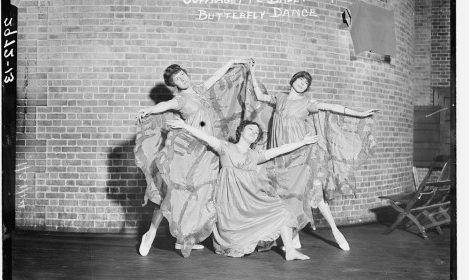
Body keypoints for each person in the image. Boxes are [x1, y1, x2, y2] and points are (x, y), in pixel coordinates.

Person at [249, 65, 379, 251]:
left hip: (300, 154)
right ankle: (293, 237)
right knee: (284, 194)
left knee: (312, 192)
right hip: (279, 154)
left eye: (306, 82)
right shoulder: (280, 97)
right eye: (300, 80)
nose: (302, 83)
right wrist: (252, 73)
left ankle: (335, 231)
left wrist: (359, 113)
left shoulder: (308, 103)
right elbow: (260, 96)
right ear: (292, 81)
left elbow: (331, 107)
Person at [135, 58, 252, 257]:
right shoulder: (180, 99)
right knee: (174, 194)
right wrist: (149, 110)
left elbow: (215, 77)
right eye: (177, 79)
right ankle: (150, 233)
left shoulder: (198, 89)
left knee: (203, 194)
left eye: (183, 75)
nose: (182, 79)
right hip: (189, 152)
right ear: (174, 85)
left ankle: (184, 239)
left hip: (208, 150)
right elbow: (164, 105)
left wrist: (231, 62)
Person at [167, 118, 320, 260]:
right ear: (241, 131)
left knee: (283, 210)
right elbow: (206, 137)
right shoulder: (226, 148)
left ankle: (290, 251)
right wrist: (185, 126)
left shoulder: (255, 155)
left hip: (252, 198)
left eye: (257, 132)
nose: (254, 133)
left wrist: (303, 142)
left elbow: (280, 150)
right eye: (250, 129)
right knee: (234, 244)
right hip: (230, 202)